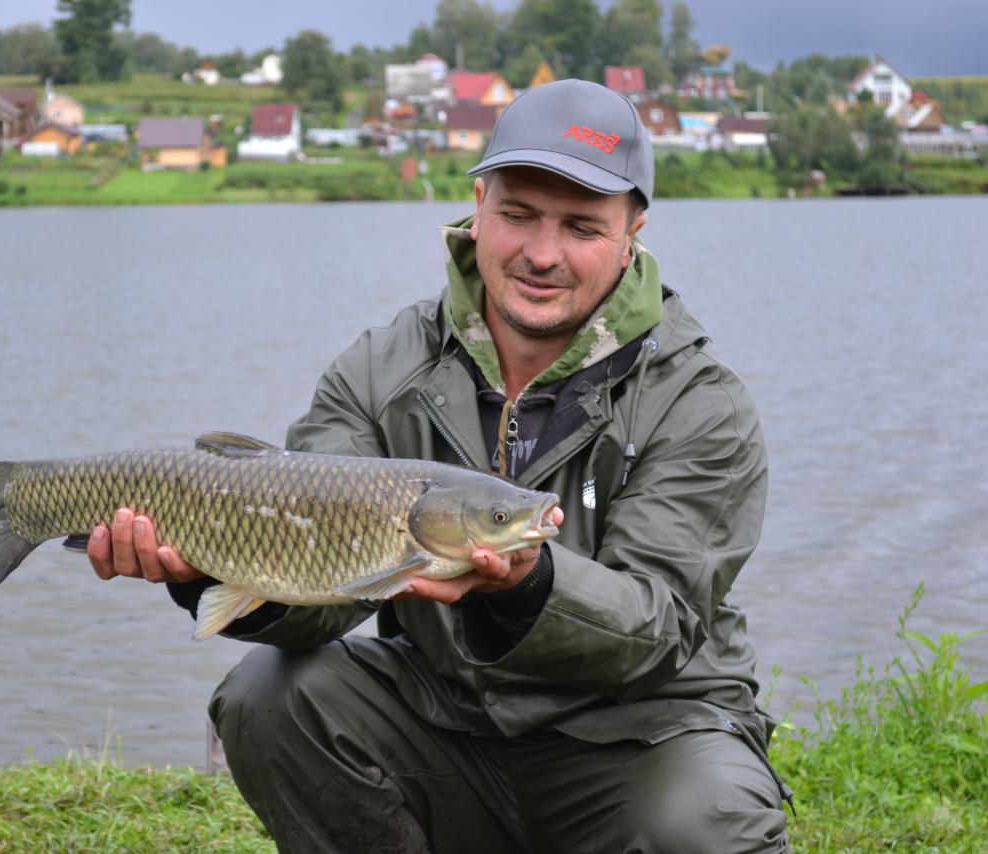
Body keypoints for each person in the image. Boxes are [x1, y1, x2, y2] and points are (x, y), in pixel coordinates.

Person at [88, 79, 792, 852]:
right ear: (479, 202)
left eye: (582, 226)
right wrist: (207, 571)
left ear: (634, 230)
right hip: (446, 718)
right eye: (518, 214)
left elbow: (660, 629)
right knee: (269, 695)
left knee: (707, 826)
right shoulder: (379, 370)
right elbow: (326, 589)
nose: (542, 253)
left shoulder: (699, 401)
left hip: (643, 736)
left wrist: (531, 584)